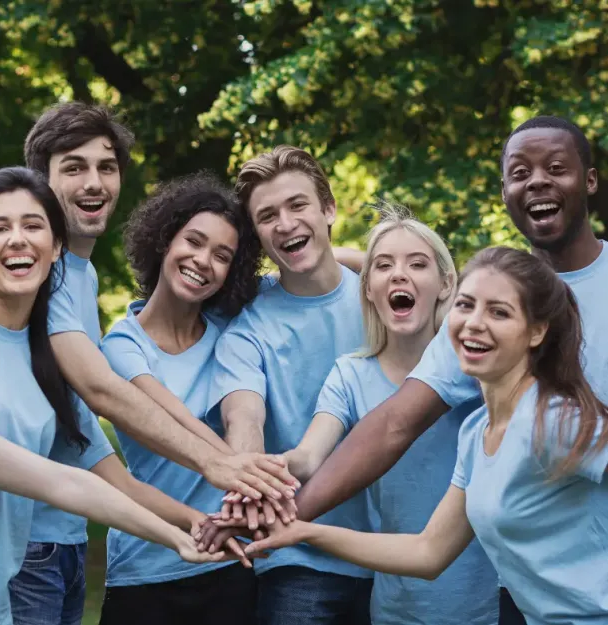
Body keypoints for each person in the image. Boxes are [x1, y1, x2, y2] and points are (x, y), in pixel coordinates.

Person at [292, 115, 608, 617]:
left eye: (555, 168)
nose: (538, 182)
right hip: (521, 595)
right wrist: (289, 523)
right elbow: (398, 435)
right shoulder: (476, 431)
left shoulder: (563, 420)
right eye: (519, 172)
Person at [0, 169, 222, 625]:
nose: (17, 239)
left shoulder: (55, 362)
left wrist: (192, 528)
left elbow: (93, 484)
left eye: (33, 226)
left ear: (57, 247)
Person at [239, 246, 608, 625]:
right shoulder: (476, 433)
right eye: (466, 305)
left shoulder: (555, 419)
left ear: (536, 331)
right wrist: (303, 531)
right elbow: (427, 552)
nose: (474, 323)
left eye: (499, 312)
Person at [20, 101, 298, 510]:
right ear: (41, 180)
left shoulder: (84, 274)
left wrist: (373, 258)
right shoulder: (45, 272)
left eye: (107, 168)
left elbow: (83, 433)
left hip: (66, 532)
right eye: (74, 168)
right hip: (30, 531)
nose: (94, 183)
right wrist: (223, 464)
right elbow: (101, 390)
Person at [281, 206, 496, 624]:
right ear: (366, 289)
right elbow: (308, 457)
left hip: (486, 605)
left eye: (418, 264)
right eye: (384, 267)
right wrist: (268, 472)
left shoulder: (475, 364)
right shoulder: (349, 374)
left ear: (446, 285)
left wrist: (349, 255)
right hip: (396, 608)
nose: (399, 275)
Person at [205, 146, 375, 625]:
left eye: (297, 205)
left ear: (329, 209)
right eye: (267, 216)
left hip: (396, 550)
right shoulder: (248, 329)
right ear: (256, 235)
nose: (284, 223)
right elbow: (244, 415)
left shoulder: (386, 297)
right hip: (299, 560)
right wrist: (250, 474)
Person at [95, 172, 274, 625]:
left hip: (230, 562)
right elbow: (168, 418)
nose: (202, 261)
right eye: (193, 241)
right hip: (144, 568)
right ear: (163, 240)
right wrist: (240, 471)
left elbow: (317, 270)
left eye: (222, 256)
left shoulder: (234, 334)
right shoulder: (121, 344)